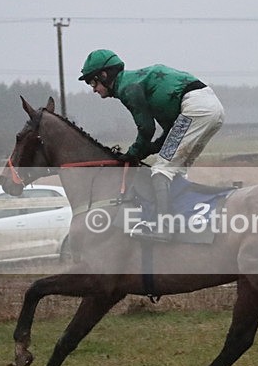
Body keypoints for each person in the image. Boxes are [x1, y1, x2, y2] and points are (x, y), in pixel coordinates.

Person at [79, 49, 225, 242]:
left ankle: (164, 228)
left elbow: (146, 128)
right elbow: (165, 135)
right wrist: (145, 151)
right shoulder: (136, 82)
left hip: (195, 108)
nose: (93, 89)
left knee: (161, 170)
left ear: (104, 75)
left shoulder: (127, 88)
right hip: (211, 108)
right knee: (177, 169)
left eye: (92, 82)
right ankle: (183, 220)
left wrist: (132, 154)